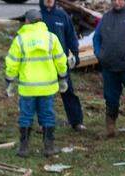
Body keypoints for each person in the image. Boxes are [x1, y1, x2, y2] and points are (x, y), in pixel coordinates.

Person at [5, 9, 68, 158]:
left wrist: (9, 81)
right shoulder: (51, 38)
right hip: (47, 87)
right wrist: (63, 77)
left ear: (27, 21)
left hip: (28, 87)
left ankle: (24, 148)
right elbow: (60, 59)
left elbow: (12, 63)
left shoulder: (20, 40)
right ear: (41, 20)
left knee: (26, 116)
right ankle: (49, 147)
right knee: (47, 115)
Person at [92, 0, 125, 137]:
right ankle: (110, 128)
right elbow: (96, 38)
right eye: (114, 0)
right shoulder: (106, 17)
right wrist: (99, 54)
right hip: (109, 67)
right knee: (110, 98)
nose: (117, 2)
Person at [41, 0, 84, 131]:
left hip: (60, 63)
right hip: (42, 64)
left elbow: (71, 35)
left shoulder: (62, 15)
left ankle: (76, 122)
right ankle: (44, 123)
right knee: (43, 95)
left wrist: (75, 53)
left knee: (68, 91)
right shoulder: (37, 16)